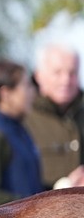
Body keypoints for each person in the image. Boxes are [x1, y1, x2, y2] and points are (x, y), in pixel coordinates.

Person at [0, 59, 42, 208]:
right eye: (26, 86)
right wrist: (33, 206)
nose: (33, 92)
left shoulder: (19, 128)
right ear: (6, 94)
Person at [24, 44, 84, 190]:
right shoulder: (24, 118)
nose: (66, 80)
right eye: (57, 73)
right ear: (39, 76)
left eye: (72, 73)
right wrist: (64, 185)